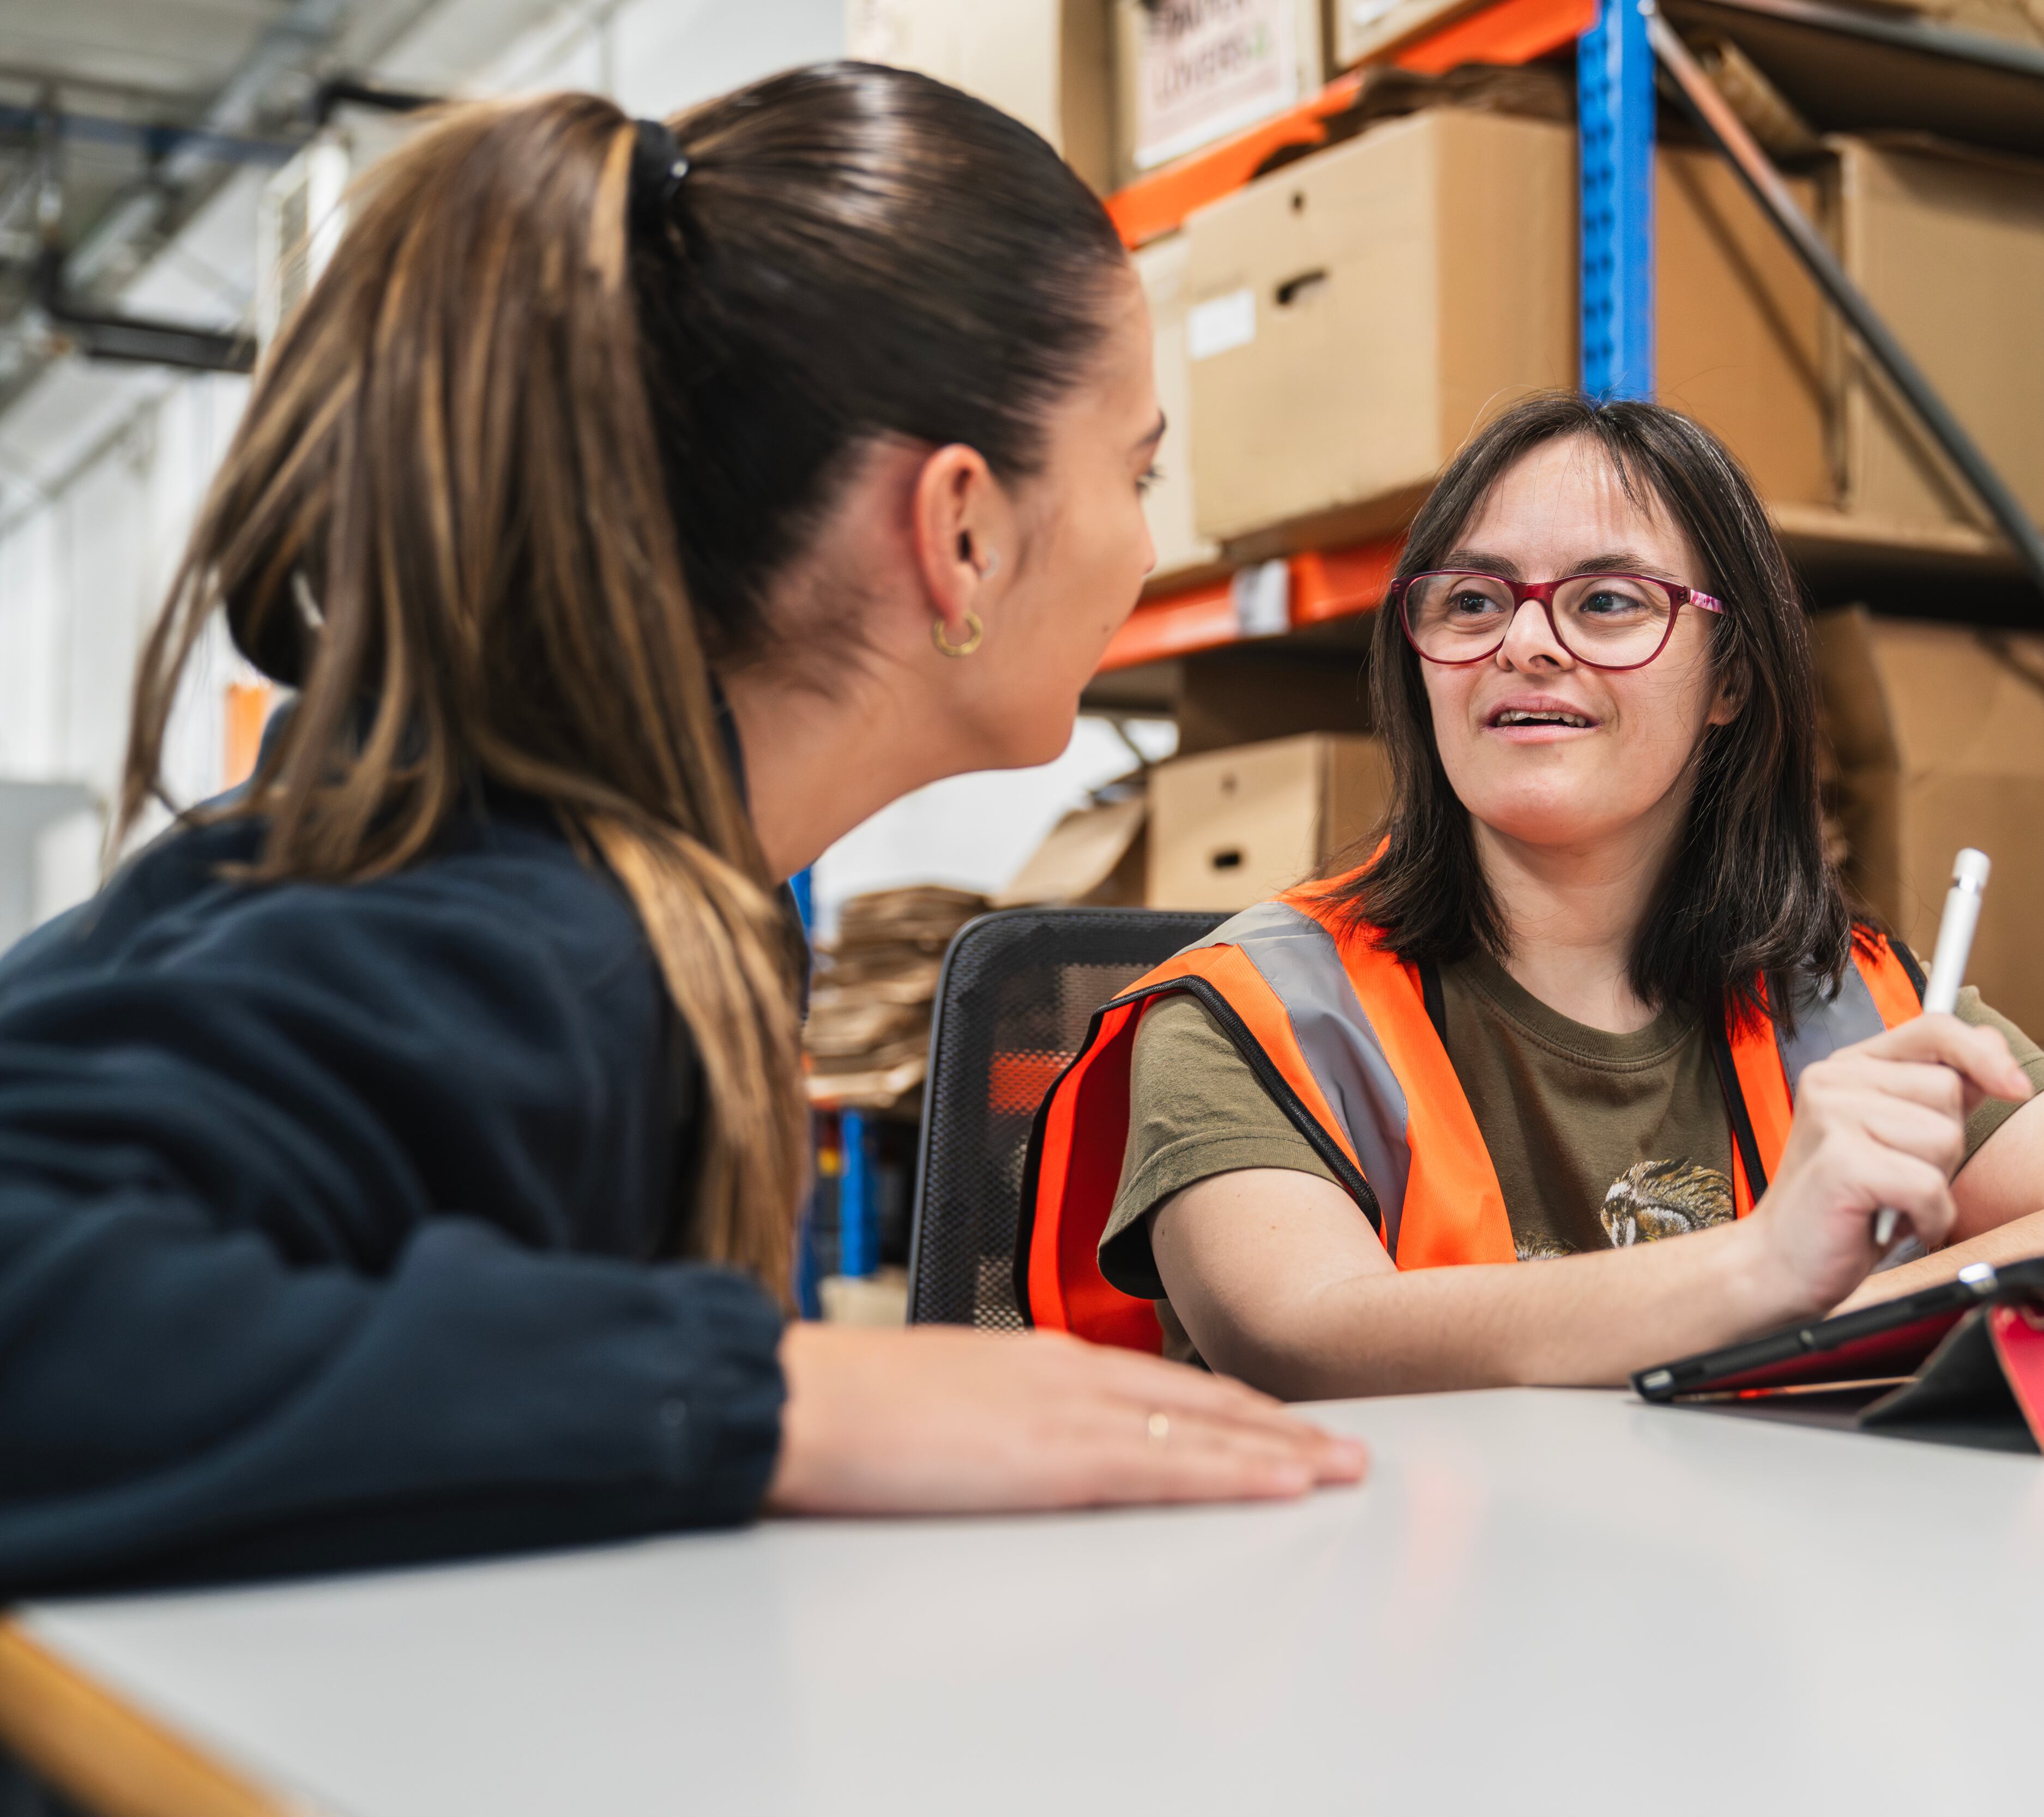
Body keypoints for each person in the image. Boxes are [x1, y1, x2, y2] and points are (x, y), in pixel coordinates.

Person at [0, 65, 1364, 1598]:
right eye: (1136, 470)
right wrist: (778, 1398)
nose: (1145, 540)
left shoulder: (655, 886)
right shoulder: (522, 926)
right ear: (962, 531)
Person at [1023, 395, 2044, 1397]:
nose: (1526, 643)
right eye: (1472, 601)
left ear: (1730, 682)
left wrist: (1832, 1307)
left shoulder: (1849, 1000)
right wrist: (1765, 1274)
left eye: (1608, 602)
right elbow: (1304, 1334)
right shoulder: (1253, 1012)